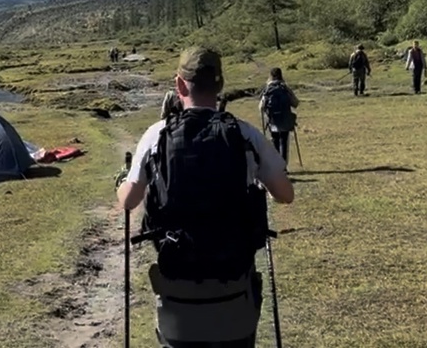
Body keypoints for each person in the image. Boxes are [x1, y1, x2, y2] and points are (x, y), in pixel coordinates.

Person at [116, 47, 294, 347]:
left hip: (178, 294)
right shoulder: (245, 135)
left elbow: (128, 201)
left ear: (179, 85)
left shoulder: (156, 136)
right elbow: (285, 194)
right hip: (235, 290)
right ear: (220, 85)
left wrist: (122, 181)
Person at [258, 68, 300, 166]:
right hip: (285, 120)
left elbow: (261, 107)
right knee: (284, 143)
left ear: (271, 76)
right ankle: (284, 167)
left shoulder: (268, 89)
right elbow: (295, 103)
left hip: (273, 121)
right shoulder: (284, 88)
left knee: (275, 142)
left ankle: (276, 166)